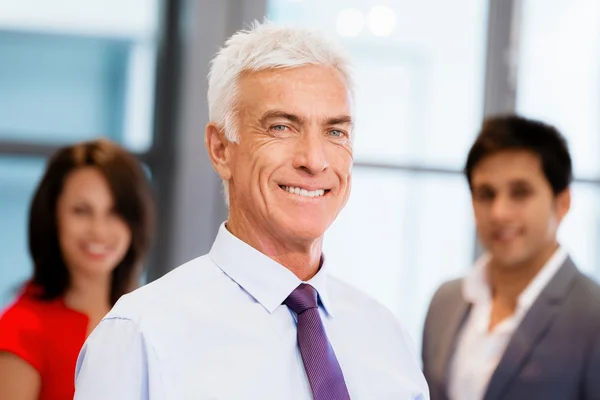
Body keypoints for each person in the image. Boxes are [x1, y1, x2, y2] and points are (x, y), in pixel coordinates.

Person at [73, 22, 429, 399]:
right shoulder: (141, 335)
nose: (314, 160)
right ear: (220, 149)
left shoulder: (388, 338)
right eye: (281, 127)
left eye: (335, 132)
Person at [421, 115, 600, 400]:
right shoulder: (446, 301)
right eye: (485, 194)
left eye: (520, 193)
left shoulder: (593, 316)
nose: (499, 213)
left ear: (562, 202)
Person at [0, 138, 154, 400]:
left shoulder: (149, 319)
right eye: (81, 211)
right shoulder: (20, 331)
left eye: (115, 212)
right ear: (53, 217)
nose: (99, 230)